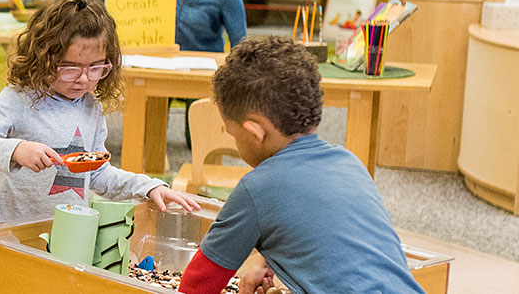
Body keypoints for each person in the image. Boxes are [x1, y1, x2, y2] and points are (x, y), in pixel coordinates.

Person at [178, 36, 425, 294]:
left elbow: (197, 283)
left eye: (230, 131)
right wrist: (262, 259)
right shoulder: (349, 163)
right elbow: (324, 235)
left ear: (254, 131)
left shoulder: (257, 188)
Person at [0, 0, 199, 224]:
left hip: (69, 229)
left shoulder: (90, 107)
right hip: (11, 228)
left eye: (96, 67)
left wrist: (147, 186)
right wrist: (17, 150)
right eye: (69, 68)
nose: (84, 79)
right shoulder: (19, 98)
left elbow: (96, 173)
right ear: (43, 58)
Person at [129, 0, 247, 146]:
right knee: (145, 139)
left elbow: (240, 43)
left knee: (199, 143)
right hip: (161, 59)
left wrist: (234, 86)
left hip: (201, 70)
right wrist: (144, 4)